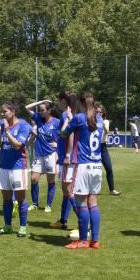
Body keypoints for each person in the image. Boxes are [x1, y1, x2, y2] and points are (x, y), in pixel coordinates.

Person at [60, 91, 104, 249]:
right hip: (97, 166)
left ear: (81, 103)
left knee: (81, 203)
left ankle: (83, 240)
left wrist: (69, 120)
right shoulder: (99, 119)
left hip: (83, 165)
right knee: (93, 203)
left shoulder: (79, 118)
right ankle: (95, 240)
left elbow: (63, 134)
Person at [0, 100, 32, 237]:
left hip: (18, 166)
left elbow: (17, 145)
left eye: (5, 112)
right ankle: (7, 225)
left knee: (20, 198)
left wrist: (7, 131)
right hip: (4, 166)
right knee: (6, 198)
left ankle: (22, 227)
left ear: (13, 112)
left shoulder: (23, 125)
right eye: (1, 112)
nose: (2, 114)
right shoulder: (2, 124)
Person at [50, 90, 79, 231]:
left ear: (63, 101)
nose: (57, 103)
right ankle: (63, 220)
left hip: (67, 158)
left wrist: (67, 154)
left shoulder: (65, 115)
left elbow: (70, 134)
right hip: (69, 157)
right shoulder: (77, 113)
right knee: (66, 191)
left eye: (59, 100)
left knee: (68, 190)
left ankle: (82, 221)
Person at [25, 100, 60, 213]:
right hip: (39, 154)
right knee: (34, 179)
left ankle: (48, 205)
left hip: (51, 154)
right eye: (39, 110)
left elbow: (66, 134)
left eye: (42, 110)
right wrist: (42, 101)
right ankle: (35, 203)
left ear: (49, 111)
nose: (40, 112)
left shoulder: (57, 122)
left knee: (50, 180)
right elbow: (27, 107)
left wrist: (58, 144)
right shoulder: (38, 119)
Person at [96, 103, 121, 196]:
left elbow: (106, 131)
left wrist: (101, 122)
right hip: (94, 147)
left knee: (109, 168)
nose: (98, 113)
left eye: (100, 112)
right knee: (95, 170)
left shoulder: (105, 121)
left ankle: (112, 189)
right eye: (97, 112)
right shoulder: (92, 121)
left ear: (103, 113)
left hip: (103, 146)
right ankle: (94, 189)